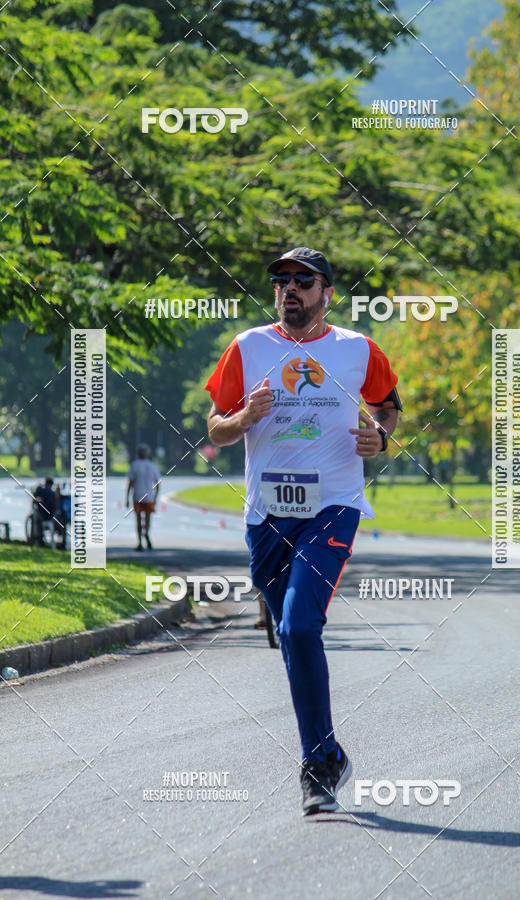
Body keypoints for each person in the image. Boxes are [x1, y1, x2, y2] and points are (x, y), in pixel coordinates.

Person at [205, 246, 401, 815]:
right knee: (291, 635)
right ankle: (333, 752)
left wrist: (380, 438)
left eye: (303, 280)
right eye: (281, 280)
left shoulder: (357, 350)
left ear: (327, 293)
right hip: (265, 515)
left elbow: (389, 405)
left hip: (332, 507)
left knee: (297, 625)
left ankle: (317, 765)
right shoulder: (247, 347)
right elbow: (216, 429)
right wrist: (244, 417)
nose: (290, 288)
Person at [126, 445, 161, 550]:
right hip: (149, 496)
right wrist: (155, 496)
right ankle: (147, 534)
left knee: (138, 519)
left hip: (137, 496)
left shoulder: (134, 465)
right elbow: (158, 483)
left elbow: (130, 483)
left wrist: (127, 497)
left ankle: (140, 541)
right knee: (147, 519)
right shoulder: (152, 466)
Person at [32, 477, 56, 546]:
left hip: (42, 515)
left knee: (35, 520)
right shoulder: (52, 493)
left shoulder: (41, 490)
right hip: (50, 516)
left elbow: (36, 499)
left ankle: (37, 541)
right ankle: (52, 544)